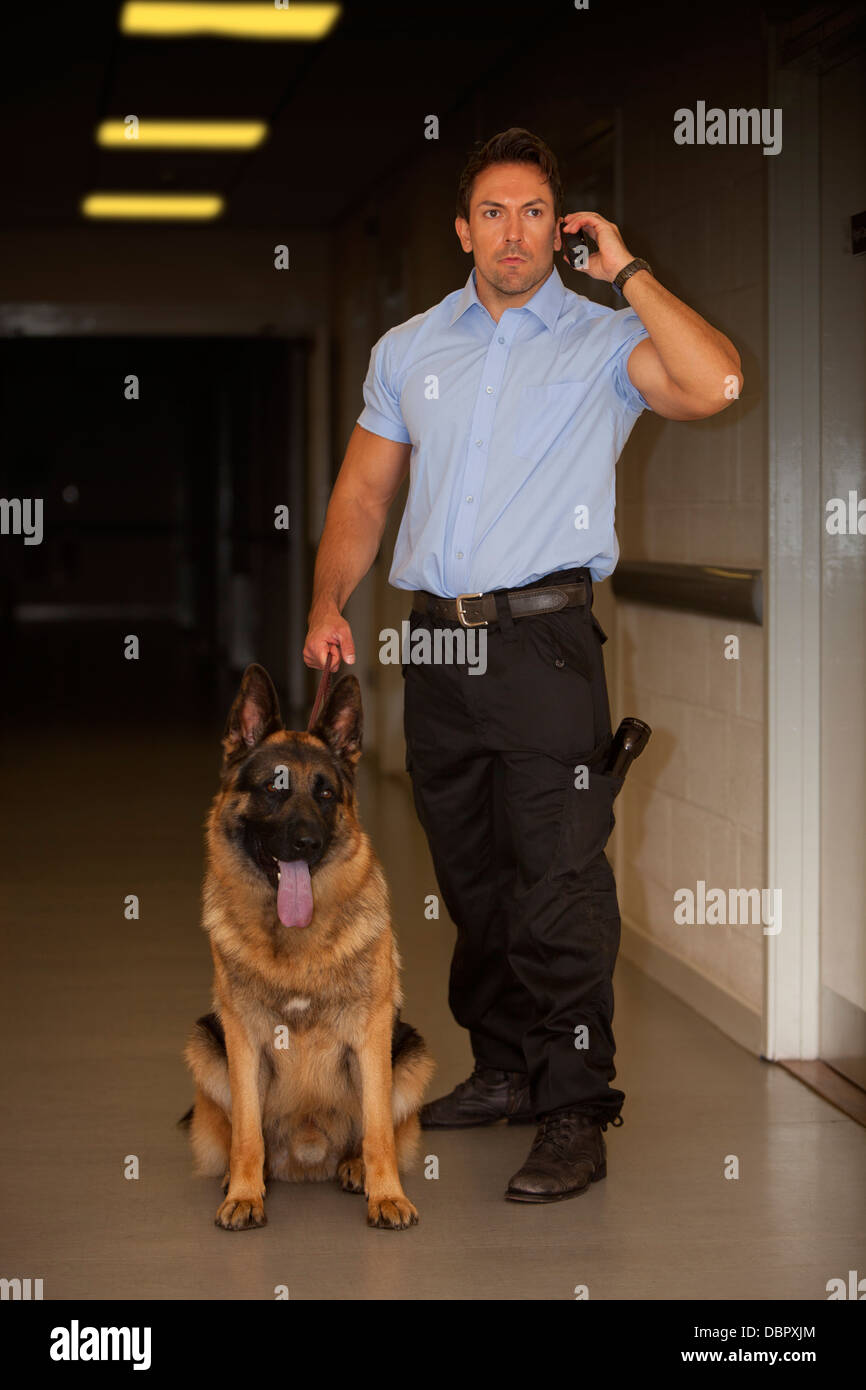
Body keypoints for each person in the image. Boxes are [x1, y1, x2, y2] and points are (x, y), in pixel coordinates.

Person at [303, 127, 742, 1203]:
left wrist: (629, 272)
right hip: (436, 639)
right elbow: (364, 495)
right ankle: (503, 1066)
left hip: (544, 641)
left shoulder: (602, 343)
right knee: (474, 877)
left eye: (534, 212)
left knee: (557, 881)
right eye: (492, 212)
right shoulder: (409, 348)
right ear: (462, 229)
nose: (512, 231)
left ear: (563, 227)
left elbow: (715, 382)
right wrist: (328, 601)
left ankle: (573, 1105)